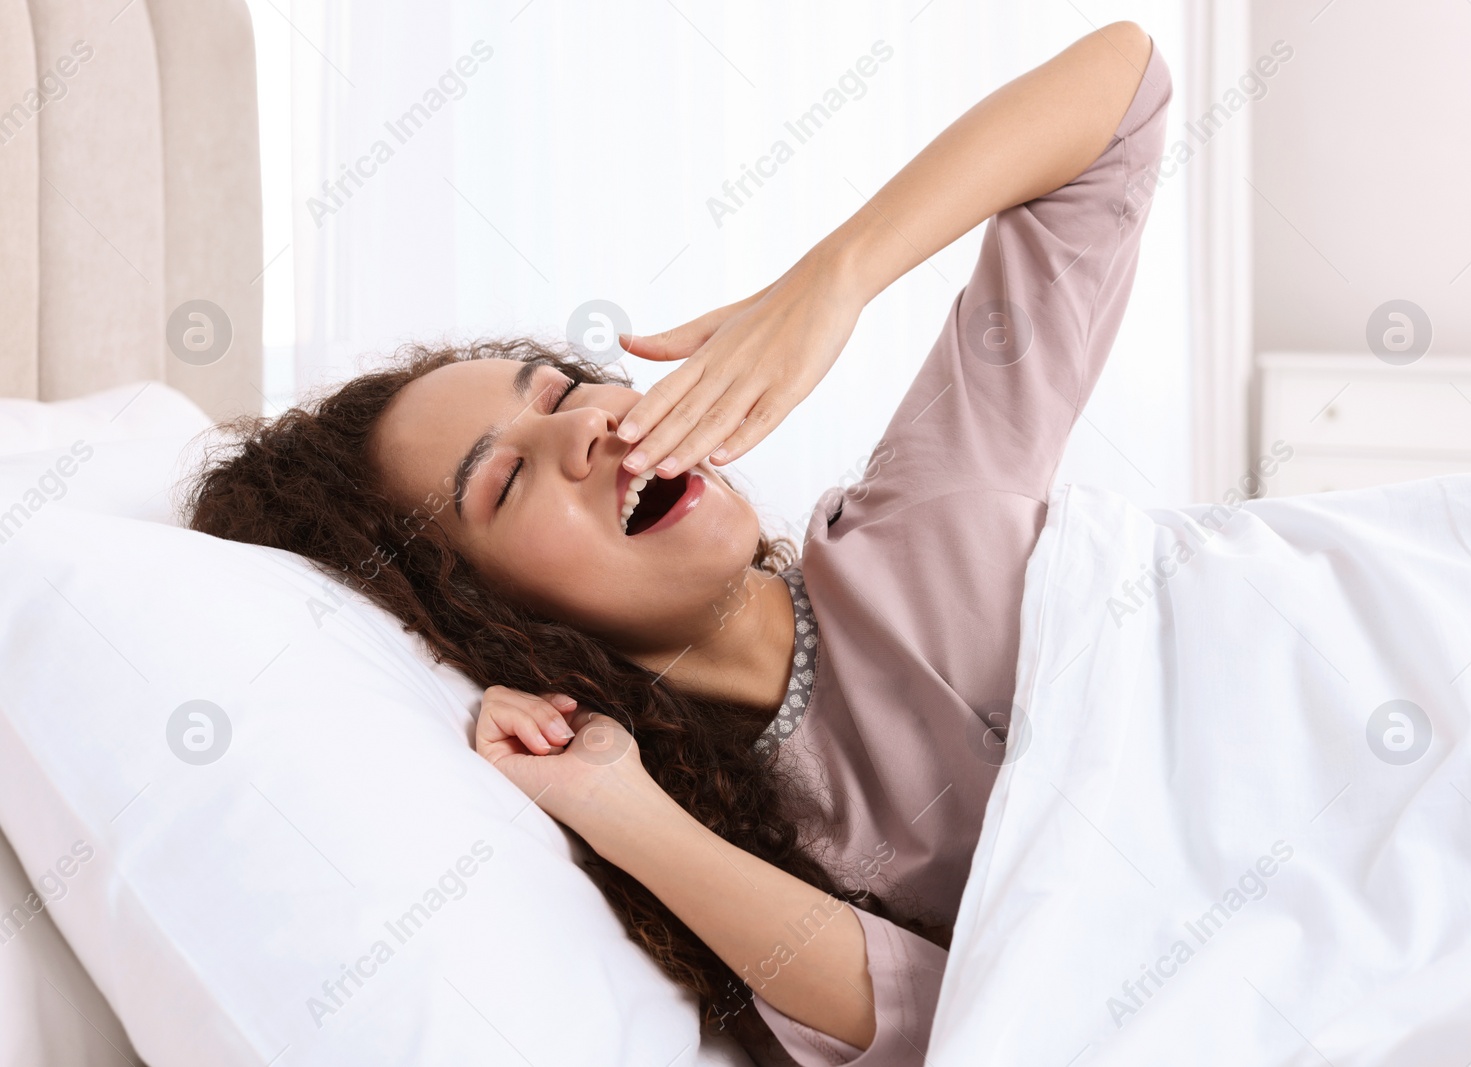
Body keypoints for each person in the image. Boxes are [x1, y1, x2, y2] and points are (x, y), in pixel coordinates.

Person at [185, 22, 1171, 1065]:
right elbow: (984, 1023)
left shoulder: (924, 518)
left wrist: (830, 279)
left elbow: (1124, 90)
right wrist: (621, 810)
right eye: (507, 478)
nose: (586, 427)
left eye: (563, 391)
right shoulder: (749, 831)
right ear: (489, 617)